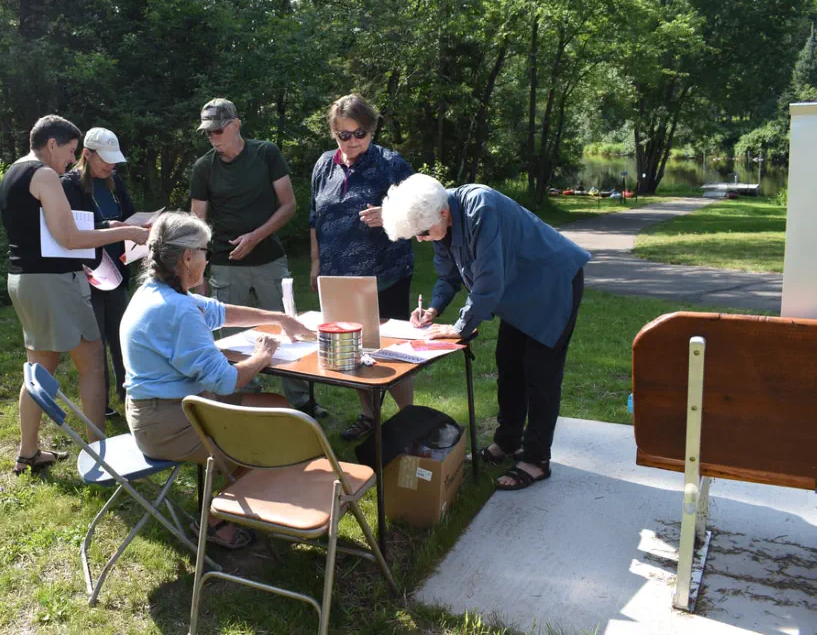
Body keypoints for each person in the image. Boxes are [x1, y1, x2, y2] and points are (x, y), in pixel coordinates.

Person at [380, 174, 590, 490]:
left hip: (553, 283)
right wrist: (434, 308)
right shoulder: (437, 218)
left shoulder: (481, 207)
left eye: (422, 233)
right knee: (509, 366)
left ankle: (536, 460)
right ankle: (507, 442)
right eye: (416, 235)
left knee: (541, 374)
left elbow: (488, 282)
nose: (421, 239)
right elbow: (448, 276)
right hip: (518, 291)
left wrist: (459, 328)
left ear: (443, 213)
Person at [120, 211, 316, 548]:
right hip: (165, 424)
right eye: (205, 252)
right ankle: (213, 520)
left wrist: (279, 318)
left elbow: (220, 312)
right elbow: (225, 381)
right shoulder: (176, 309)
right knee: (273, 434)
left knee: (279, 407)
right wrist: (262, 355)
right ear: (187, 257)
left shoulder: (160, 293)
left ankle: (243, 496)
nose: (207, 260)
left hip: (169, 409)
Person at [0, 114, 151, 475]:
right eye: (70, 151)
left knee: (39, 370)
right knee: (93, 362)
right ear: (52, 144)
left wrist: (108, 226)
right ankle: (100, 451)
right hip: (52, 282)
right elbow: (68, 238)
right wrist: (125, 232)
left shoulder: (14, 171)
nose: (72, 160)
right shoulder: (45, 175)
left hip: (22, 280)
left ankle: (28, 452)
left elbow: (49, 230)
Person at [190, 98, 324, 418]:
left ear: (236, 124)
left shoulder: (266, 154)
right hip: (225, 263)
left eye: (218, 130)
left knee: (289, 329)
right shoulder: (204, 167)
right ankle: (245, 403)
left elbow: (289, 206)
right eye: (207, 132)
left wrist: (255, 236)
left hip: (268, 258)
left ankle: (302, 402)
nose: (212, 137)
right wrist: (197, 275)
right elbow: (196, 223)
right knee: (232, 341)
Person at [309, 94, 416, 441]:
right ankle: (369, 415)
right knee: (352, 347)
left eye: (360, 133)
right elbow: (314, 217)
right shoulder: (323, 165)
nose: (353, 141)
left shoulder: (392, 164)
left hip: (385, 273)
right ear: (333, 133)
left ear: (371, 130)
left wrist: (389, 214)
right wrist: (315, 263)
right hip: (340, 277)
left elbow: (421, 212)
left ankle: (409, 419)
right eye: (344, 134)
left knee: (391, 350)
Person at [61, 127, 135, 419]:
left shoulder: (115, 182)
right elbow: (70, 230)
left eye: (114, 159)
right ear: (87, 155)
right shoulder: (69, 185)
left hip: (118, 271)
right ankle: (99, 405)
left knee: (121, 338)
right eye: (105, 159)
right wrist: (107, 228)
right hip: (88, 274)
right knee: (95, 343)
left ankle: (131, 396)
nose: (111, 165)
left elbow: (129, 216)